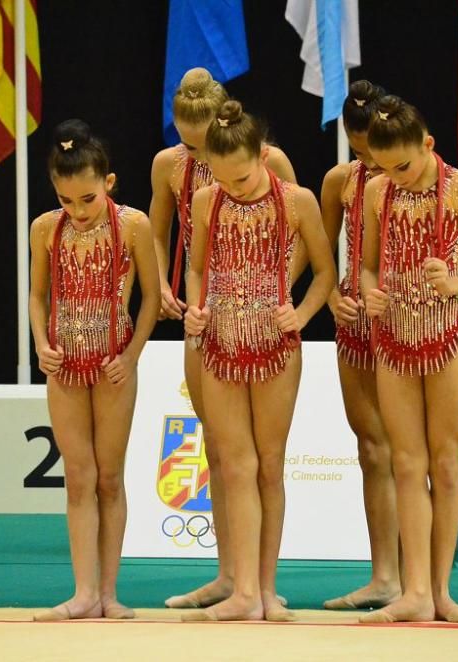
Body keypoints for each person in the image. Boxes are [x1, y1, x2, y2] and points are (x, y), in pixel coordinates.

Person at [149, 68, 298, 609]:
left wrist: (283, 296)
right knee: (221, 448)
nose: (197, 156)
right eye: (187, 145)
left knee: (263, 457)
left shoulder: (270, 160)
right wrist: (167, 289)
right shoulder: (170, 165)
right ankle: (229, 577)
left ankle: (263, 585)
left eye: (203, 144)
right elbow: (159, 231)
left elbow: (299, 233)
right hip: (206, 316)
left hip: (260, 315)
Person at [183, 100, 336, 621]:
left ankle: (267, 591)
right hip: (220, 347)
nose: (234, 189)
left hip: (275, 348)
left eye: (243, 178)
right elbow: (197, 267)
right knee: (236, 466)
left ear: (262, 156)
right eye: (224, 181)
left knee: (270, 468)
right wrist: (196, 308)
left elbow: (324, 272)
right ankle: (243, 592)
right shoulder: (208, 201)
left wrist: (302, 313)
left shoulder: (297, 201)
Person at [358, 95, 458, 623]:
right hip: (393, 335)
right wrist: (370, 292)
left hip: (447, 332)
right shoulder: (378, 193)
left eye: (404, 165)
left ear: (428, 144)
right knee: (406, 462)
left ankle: (442, 591)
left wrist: (454, 282)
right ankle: (414, 592)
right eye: (383, 167)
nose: (394, 176)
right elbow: (368, 267)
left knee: (444, 462)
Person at [29, 119, 160, 621]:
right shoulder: (45, 229)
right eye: (66, 200)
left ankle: (108, 593)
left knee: (109, 478)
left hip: (112, 369)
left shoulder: (133, 225)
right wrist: (42, 345)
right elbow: (38, 296)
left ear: (108, 183)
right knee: (78, 478)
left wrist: (131, 355)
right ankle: (83, 593)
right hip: (64, 368)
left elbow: (150, 297)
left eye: (87, 199)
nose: (77, 211)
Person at [319, 80, 401, 611]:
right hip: (355, 323)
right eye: (360, 150)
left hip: (408, 321)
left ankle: (422, 578)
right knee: (372, 450)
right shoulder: (339, 181)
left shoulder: (413, 177)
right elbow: (319, 251)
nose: (370, 159)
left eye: (376, 148)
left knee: (409, 454)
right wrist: (330, 295)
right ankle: (385, 576)